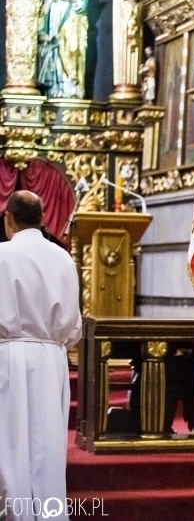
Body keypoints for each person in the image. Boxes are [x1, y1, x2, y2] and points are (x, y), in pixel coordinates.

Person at [0, 191, 82, 521]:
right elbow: (74, 324)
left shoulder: (3, 256)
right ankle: (49, 513)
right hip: (52, 359)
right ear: (42, 219)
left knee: (11, 442)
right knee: (47, 442)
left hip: (10, 355)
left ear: (9, 220)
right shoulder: (63, 258)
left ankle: (14, 512)